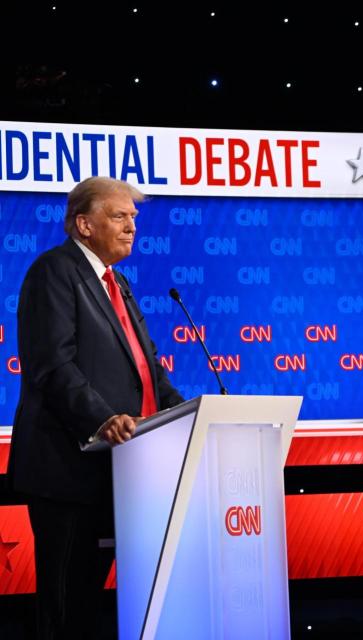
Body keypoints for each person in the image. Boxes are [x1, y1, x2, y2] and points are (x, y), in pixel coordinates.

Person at [9, 176, 184, 639]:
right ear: (84, 224)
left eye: (133, 218)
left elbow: (148, 370)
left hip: (122, 469)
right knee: (67, 606)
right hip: (68, 469)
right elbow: (52, 364)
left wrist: (191, 416)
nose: (131, 226)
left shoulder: (117, 282)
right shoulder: (55, 271)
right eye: (119, 216)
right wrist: (102, 418)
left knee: (100, 608)